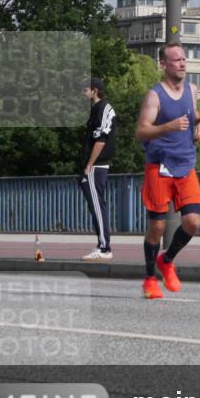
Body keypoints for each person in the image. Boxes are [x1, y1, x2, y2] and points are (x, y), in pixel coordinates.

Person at [134, 44, 200, 300]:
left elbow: (195, 115)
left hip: (186, 164)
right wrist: (167, 127)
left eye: (184, 59)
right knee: (157, 225)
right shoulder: (154, 96)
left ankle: (167, 260)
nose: (182, 64)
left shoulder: (192, 91)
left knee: (193, 221)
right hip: (159, 166)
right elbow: (142, 130)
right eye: (176, 60)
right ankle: (149, 278)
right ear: (163, 65)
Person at [79, 77, 116, 261]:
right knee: (96, 207)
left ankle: (104, 247)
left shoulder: (103, 108)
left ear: (94, 90)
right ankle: (102, 245)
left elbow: (101, 139)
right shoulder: (95, 109)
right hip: (94, 165)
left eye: (85, 90)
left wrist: (88, 165)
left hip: (96, 165)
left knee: (97, 207)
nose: (83, 93)